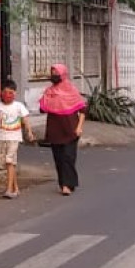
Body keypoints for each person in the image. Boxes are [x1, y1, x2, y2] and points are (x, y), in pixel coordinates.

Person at [38, 63, 88, 196]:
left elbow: (82, 110)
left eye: (56, 73)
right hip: (55, 130)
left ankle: (68, 184)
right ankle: (63, 183)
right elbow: (42, 109)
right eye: (52, 73)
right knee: (58, 158)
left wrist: (79, 127)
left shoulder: (71, 90)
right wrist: (46, 99)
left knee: (68, 157)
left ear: (63, 74)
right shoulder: (49, 91)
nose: (53, 76)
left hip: (71, 129)